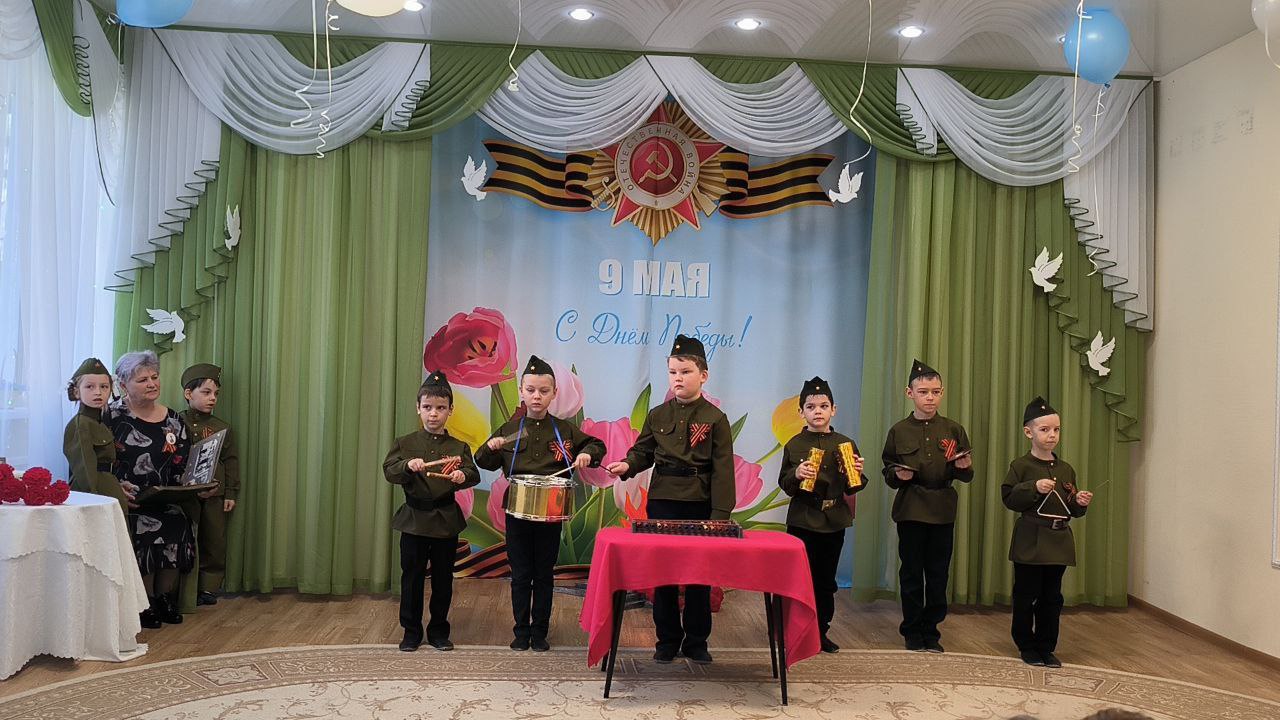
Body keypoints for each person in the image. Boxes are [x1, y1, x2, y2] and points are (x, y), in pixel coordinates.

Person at [606, 334, 735, 665]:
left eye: (686, 371)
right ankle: (666, 640)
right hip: (662, 501)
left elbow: (723, 471)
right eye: (673, 372)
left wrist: (719, 515)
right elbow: (643, 451)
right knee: (662, 574)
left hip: (699, 504)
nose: (678, 378)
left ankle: (696, 642)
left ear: (703, 375)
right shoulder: (657, 415)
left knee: (698, 576)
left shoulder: (716, 419)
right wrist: (627, 465)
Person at [474, 355, 605, 652]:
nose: (537, 396)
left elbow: (596, 445)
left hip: (550, 512)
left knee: (544, 573)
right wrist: (490, 447)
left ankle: (540, 631)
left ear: (554, 393)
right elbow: (483, 460)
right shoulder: (511, 429)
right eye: (531, 390)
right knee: (520, 573)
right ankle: (521, 631)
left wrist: (587, 454)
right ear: (521, 391)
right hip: (517, 512)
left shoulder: (565, 430)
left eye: (543, 391)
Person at [383, 371, 481, 652]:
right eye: (427, 407)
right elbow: (390, 471)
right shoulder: (405, 443)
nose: (433, 414)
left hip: (444, 520)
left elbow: (472, 473)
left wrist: (463, 476)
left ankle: (438, 631)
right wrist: (406, 466)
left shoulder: (458, 447)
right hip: (414, 520)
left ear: (450, 410)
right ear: (418, 408)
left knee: (442, 579)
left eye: (440, 408)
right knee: (411, 578)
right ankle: (411, 632)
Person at [881, 359, 974, 653]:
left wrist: (964, 467)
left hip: (942, 508)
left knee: (938, 574)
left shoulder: (953, 429)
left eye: (935, 392)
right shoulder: (899, 431)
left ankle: (931, 630)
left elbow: (966, 473)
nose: (929, 398)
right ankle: (911, 630)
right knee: (911, 573)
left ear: (942, 393)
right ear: (910, 393)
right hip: (911, 507)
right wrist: (897, 475)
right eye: (923, 392)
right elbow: (887, 470)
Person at [106, 350, 196, 629]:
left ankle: (163, 598)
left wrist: (193, 484)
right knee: (143, 527)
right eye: (142, 380)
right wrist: (116, 489)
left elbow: (183, 462)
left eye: (154, 377)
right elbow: (99, 463)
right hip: (128, 499)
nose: (152, 384)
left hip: (164, 496)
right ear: (124, 385)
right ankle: (143, 603)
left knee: (176, 520)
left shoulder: (173, 420)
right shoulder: (110, 417)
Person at [1001, 396, 1093, 668]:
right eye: (1044, 429)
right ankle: (1026, 644)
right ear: (1028, 432)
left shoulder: (1065, 469)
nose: (1052, 435)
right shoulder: (1021, 466)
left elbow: (1071, 508)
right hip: (1030, 540)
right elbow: (1009, 498)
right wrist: (1033, 487)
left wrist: (1080, 502)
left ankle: (1046, 646)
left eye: (1056, 429)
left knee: (1052, 598)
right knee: (1025, 594)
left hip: (1058, 542)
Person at [777, 376, 867, 653]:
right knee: (798, 578)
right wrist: (796, 473)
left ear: (833, 410)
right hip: (803, 519)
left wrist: (858, 472)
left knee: (826, 581)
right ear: (801, 412)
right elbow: (785, 484)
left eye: (824, 406)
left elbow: (855, 486)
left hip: (833, 521)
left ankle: (820, 632)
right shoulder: (794, 444)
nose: (818, 411)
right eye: (811, 406)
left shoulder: (846, 443)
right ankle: (791, 630)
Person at [179, 363, 240, 607]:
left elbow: (231, 460)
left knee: (214, 539)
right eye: (206, 392)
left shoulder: (222, 427)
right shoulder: (175, 422)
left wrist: (231, 492)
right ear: (188, 393)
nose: (212, 398)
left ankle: (208, 586)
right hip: (185, 492)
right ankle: (184, 587)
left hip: (215, 491)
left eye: (216, 393)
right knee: (186, 537)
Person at [62, 357, 129, 513]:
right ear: (76, 392)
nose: (98, 392)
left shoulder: (99, 422)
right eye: (89, 387)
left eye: (104, 386)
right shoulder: (81, 425)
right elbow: (84, 468)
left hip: (108, 489)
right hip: (94, 496)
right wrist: (94, 500)